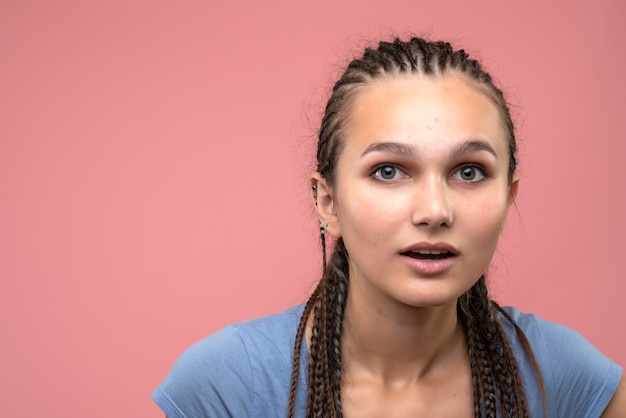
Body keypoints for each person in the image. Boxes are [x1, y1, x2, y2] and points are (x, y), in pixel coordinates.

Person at [152, 37, 625, 417]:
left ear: (508, 197)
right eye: (388, 170)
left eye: (469, 171)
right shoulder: (228, 385)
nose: (435, 210)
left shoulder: (560, 374)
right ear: (328, 201)